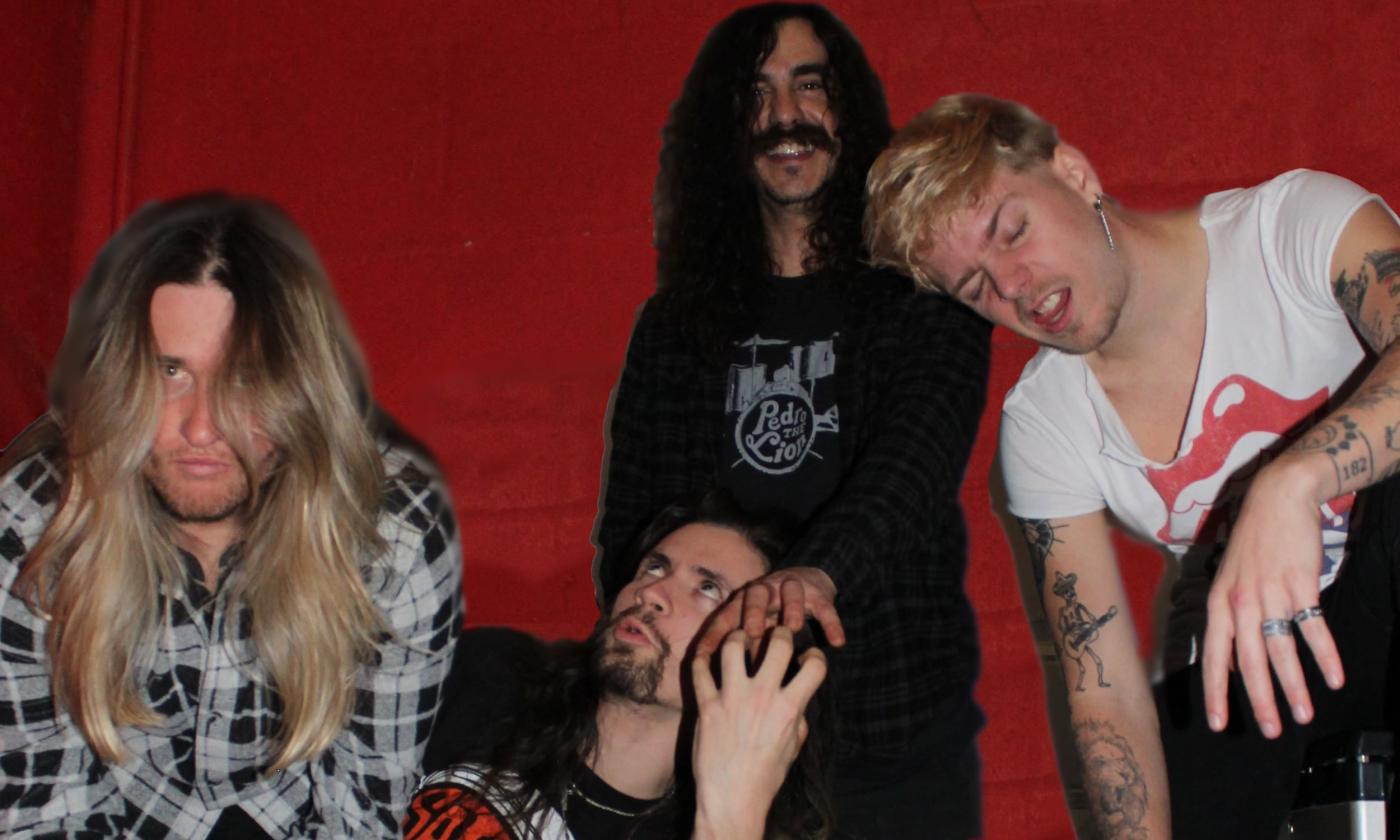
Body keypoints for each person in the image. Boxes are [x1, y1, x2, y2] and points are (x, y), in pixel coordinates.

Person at [864, 93, 1400, 838]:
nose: (1015, 286)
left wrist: (1296, 479)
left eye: (1013, 231)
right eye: (976, 286)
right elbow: (1103, 688)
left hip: (1387, 576)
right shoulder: (1045, 423)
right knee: (1182, 751)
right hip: (1273, 665)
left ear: (1075, 174)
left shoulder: (1289, 227)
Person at [593, 6, 991, 836]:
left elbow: (911, 471)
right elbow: (635, 531)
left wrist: (809, 578)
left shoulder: (924, 299)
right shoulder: (675, 327)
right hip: (716, 740)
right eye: (758, 95)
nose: (785, 118)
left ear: (849, 112)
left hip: (893, 749)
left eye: (811, 88)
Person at [0, 193, 463, 838]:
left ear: (301, 388)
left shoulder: (395, 539)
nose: (201, 427)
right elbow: (42, 811)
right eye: (170, 370)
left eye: (245, 375)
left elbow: (362, 811)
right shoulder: (32, 527)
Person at [406, 492, 831, 840]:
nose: (652, 592)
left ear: (761, 665)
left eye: (707, 589)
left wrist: (734, 812)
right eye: (654, 566)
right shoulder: (491, 675)